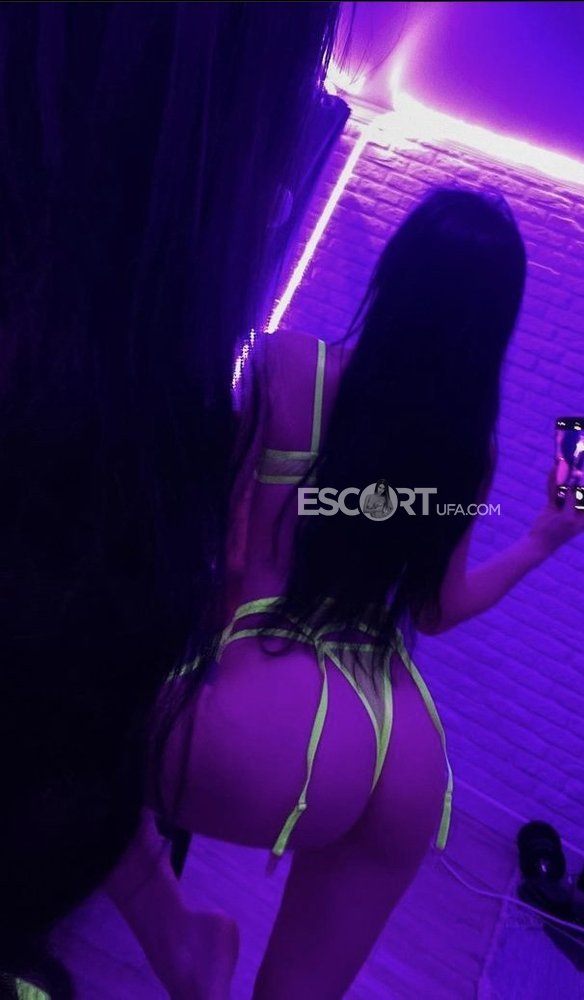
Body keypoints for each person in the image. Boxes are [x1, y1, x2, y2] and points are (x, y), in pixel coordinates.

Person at [109, 188, 584, 999]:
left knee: (58, 732)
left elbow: (226, 555)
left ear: (395, 273)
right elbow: (436, 613)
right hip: (405, 750)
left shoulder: (287, 368)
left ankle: (180, 939)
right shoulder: (467, 453)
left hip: (275, 707)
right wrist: (543, 538)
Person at [0, 3, 340, 996]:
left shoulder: (280, 364)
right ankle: (185, 944)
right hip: (334, 706)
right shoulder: (269, 372)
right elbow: (259, 572)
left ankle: (180, 938)